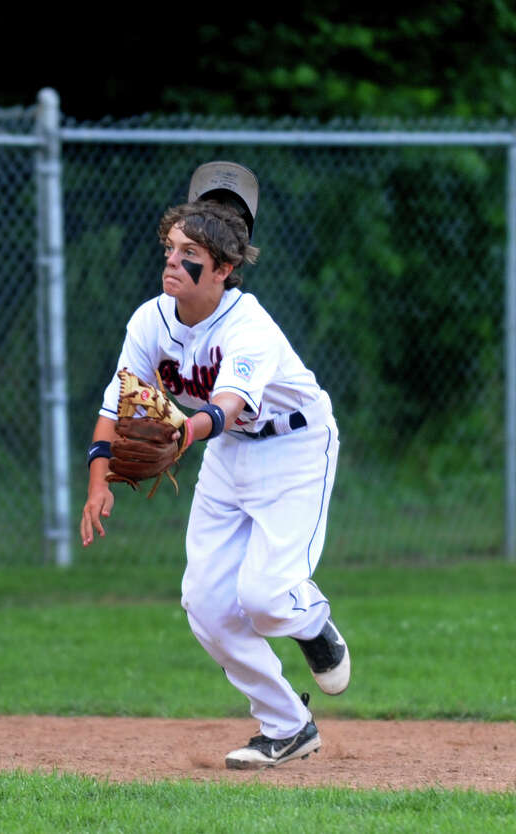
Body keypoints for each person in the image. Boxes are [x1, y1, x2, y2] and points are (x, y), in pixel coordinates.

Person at [79, 161, 350, 770]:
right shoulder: (151, 320)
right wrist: (99, 481)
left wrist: (183, 432)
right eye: (170, 249)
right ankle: (286, 725)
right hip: (227, 456)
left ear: (224, 270)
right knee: (204, 603)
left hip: (293, 449)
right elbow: (115, 402)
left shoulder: (249, 325)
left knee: (265, 598)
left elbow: (229, 406)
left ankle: (312, 623)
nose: (173, 262)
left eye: (191, 254)